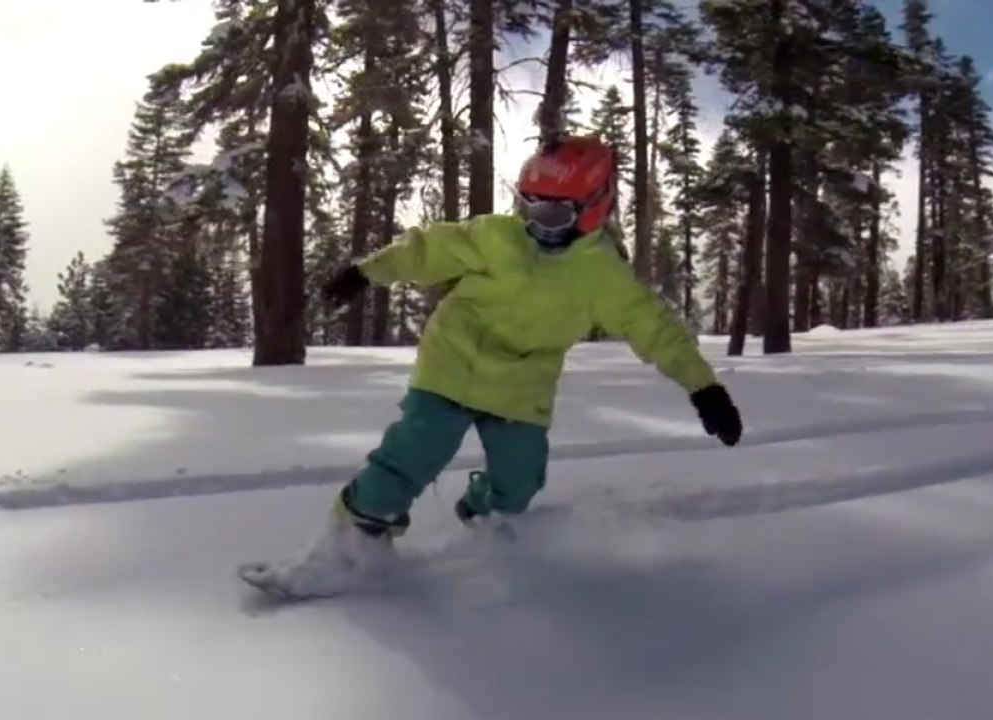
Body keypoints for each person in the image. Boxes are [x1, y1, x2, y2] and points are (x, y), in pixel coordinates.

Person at [273, 134, 742, 595]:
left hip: (522, 385)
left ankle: (484, 523)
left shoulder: (604, 276)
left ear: (594, 206)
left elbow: (656, 329)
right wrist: (366, 272)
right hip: (453, 364)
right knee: (415, 451)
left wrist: (704, 387)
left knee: (520, 477)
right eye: (530, 207)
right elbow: (429, 249)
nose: (538, 225)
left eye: (554, 213)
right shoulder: (497, 237)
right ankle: (353, 541)